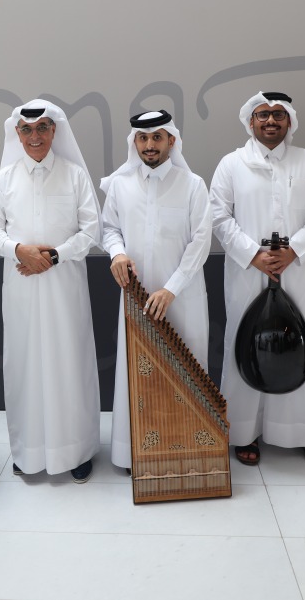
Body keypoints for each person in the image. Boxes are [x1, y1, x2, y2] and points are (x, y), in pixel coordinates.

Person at [209, 91, 305, 466]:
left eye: (278, 115)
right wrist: (254, 255)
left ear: (290, 121)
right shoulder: (232, 164)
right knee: (245, 345)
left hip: (300, 271)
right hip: (247, 272)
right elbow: (218, 216)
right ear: (250, 121)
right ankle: (243, 431)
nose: (270, 121)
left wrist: (294, 249)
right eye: (262, 115)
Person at [0, 100, 101, 483]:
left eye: (43, 128)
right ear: (17, 134)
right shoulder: (5, 179)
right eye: (27, 130)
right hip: (20, 285)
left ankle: (77, 450)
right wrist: (19, 250)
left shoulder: (75, 176)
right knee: (24, 364)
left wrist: (53, 256)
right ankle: (29, 451)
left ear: (55, 131)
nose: (35, 137)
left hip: (64, 286)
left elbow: (91, 231)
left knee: (69, 362)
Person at [101, 110, 212, 473]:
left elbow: (201, 242)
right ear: (135, 142)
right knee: (138, 370)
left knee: (185, 370)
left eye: (157, 137)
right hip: (135, 295)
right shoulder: (119, 184)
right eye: (143, 138)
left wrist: (171, 289)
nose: (150, 145)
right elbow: (109, 228)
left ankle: (187, 452)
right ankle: (136, 451)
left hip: (183, 296)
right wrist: (117, 253)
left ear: (171, 141)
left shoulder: (192, 184)